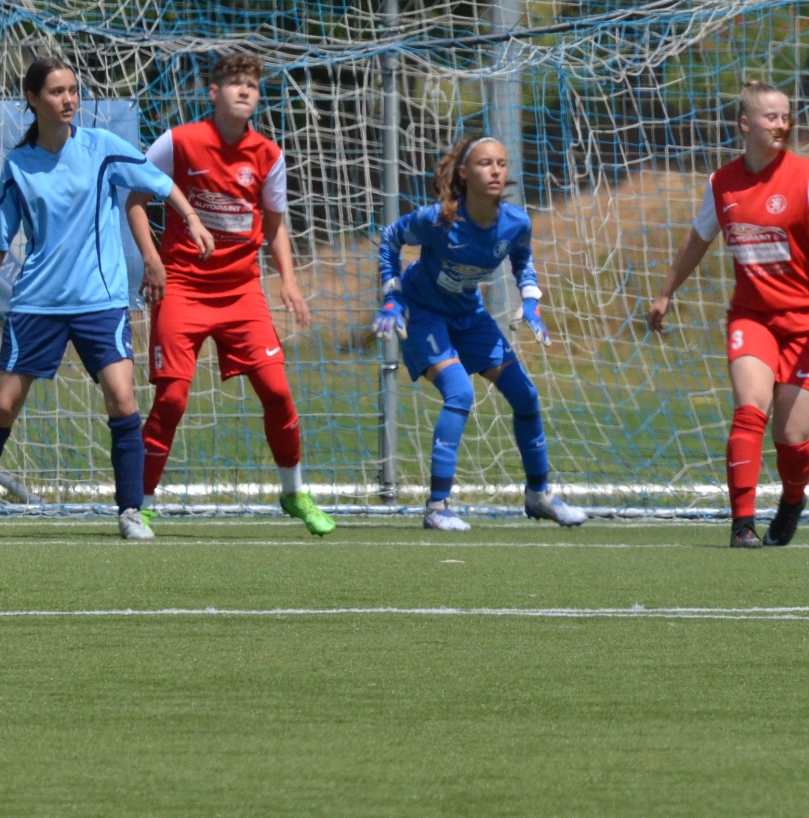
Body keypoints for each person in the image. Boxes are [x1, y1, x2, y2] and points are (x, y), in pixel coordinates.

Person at [0, 58, 216, 540]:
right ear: (33, 99)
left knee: (122, 398)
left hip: (100, 300)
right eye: (57, 91)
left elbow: (159, 182)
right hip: (37, 304)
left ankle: (130, 511)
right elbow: (1, 234)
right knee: (2, 407)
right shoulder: (19, 164)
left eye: (73, 91)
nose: (69, 100)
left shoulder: (101, 147)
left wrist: (191, 218)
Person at [647, 82, 809, 549]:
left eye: (786, 116)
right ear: (745, 124)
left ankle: (792, 499)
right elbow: (698, 239)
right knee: (750, 409)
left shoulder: (808, 176)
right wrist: (665, 293)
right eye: (771, 117)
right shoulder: (721, 183)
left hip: (808, 322)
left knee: (791, 435)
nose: (781, 125)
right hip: (753, 319)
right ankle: (742, 524)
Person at [127, 54, 335, 536]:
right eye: (235, 83)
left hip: (241, 292)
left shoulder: (269, 154)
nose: (244, 91)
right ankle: (140, 503)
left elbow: (275, 225)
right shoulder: (177, 142)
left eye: (252, 86)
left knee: (277, 391)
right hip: (183, 287)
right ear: (213, 92)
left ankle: (294, 493)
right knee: (172, 399)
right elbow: (134, 199)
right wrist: (152, 260)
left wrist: (289, 280)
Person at [373, 136, 587, 531]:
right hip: (424, 314)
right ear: (464, 173)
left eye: (501, 163)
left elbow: (522, 260)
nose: (495, 171)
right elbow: (390, 239)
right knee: (460, 392)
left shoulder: (516, 222)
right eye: (485, 163)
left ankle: (538, 496)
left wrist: (531, 302)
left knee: (526, 395)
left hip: (469, 315)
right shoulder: (438, 220)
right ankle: (438, 507)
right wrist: (392, 296)